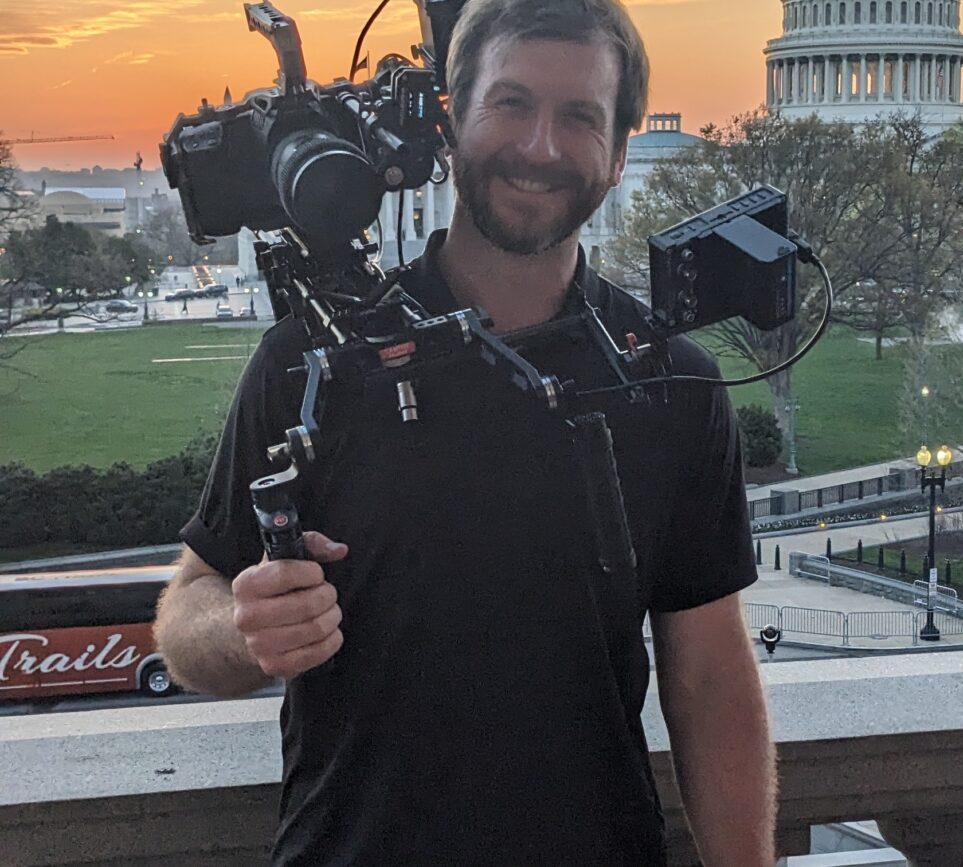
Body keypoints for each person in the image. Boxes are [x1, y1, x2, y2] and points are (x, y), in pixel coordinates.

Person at [153, 1, 775, 864]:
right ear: (451, 123)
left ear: (620, 151)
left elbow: (708, 675)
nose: (542, 148)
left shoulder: (672, 386)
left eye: (579, 118)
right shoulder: (312, 358)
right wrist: (243, 630)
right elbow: (187, 610)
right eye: (511, 104)